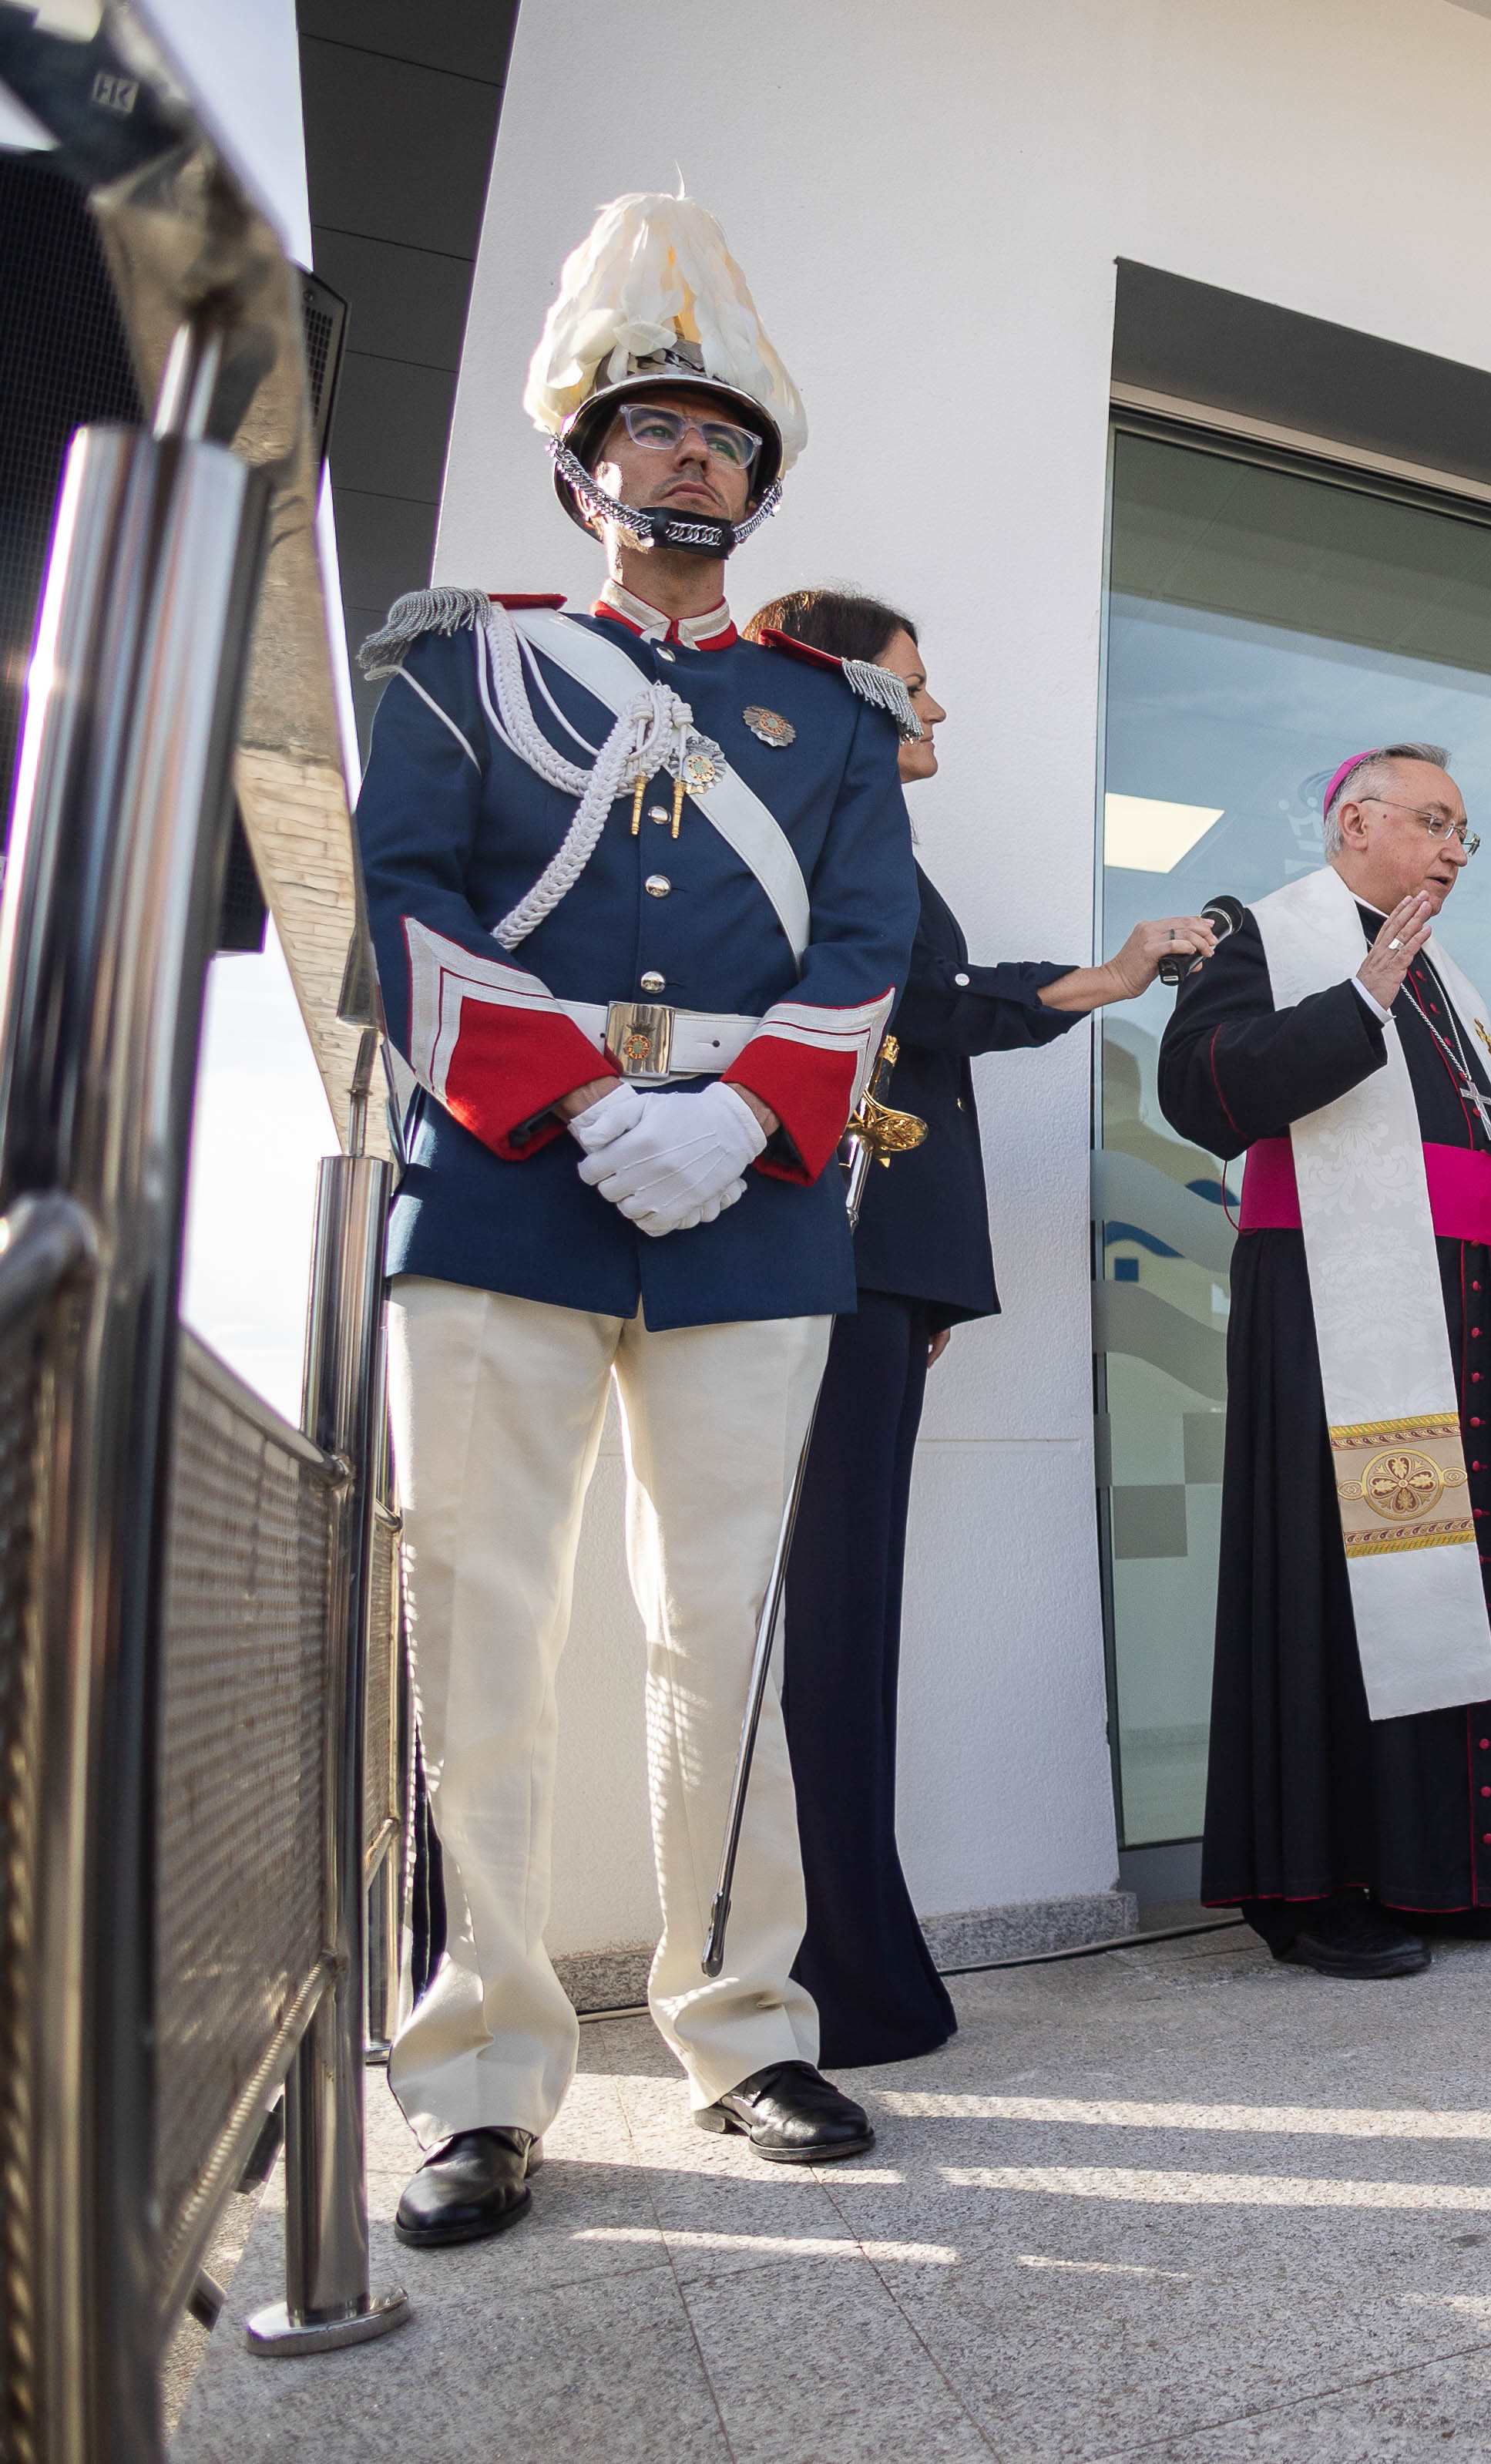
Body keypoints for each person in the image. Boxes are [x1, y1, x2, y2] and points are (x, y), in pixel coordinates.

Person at [349, 192, 913, 2247]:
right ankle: (482, 2068)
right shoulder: (461, 658)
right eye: (656, 426)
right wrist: (585, 1098)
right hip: (506, 1184)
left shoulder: (834, 715)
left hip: (748, 1209)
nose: (692, 459)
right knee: (479, 1624)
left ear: (760, 488)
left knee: (725, 1629)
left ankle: (743, 2020)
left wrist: (742, 1119)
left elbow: (865, 944)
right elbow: (399, 899)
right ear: (582, 463)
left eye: (724, 439)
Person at [743, 587, 1218, 2057]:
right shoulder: (803, 834)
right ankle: (822, 1974)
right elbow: (920, 1009)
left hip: (876, 1273)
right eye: (914, 682)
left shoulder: (849, 835)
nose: (937, 706)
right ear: (843, 691)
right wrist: (1108, 978)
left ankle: (846, 1959)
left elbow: (918, 1013)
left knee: (847, 1615)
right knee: (824, 1616)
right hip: (826, 1262)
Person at [1157, 747, 1491, 1978]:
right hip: (1332, 1308)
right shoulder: (1260, 932)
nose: (1456, 850)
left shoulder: (1446, 979)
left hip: (1457, 1309)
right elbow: (1197, 1093)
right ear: (1354, 823)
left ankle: (1448, 1870)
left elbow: (1490, 1151)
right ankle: (1313, 1887)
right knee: (1332, 1584)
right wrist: (1354, 1001)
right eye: (1434, 822)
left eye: (1464, 831)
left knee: (1451, 1589)